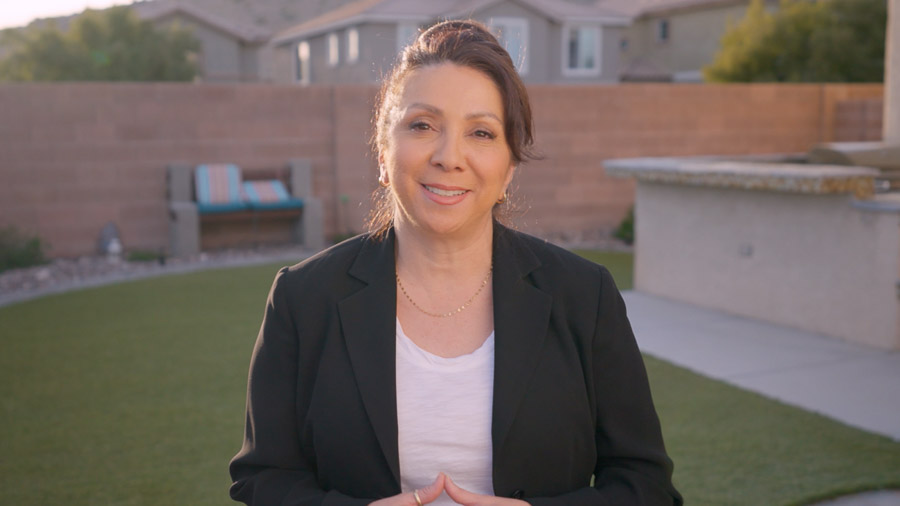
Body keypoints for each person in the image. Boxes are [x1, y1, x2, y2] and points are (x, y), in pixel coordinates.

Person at [229, 19, 682, 506]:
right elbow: (263, 479)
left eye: (481, 133)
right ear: (384, 152)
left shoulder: (584, 295)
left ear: (508, 169)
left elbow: (646, 486)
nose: (450, 156)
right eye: (422, 125)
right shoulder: (303, 297)